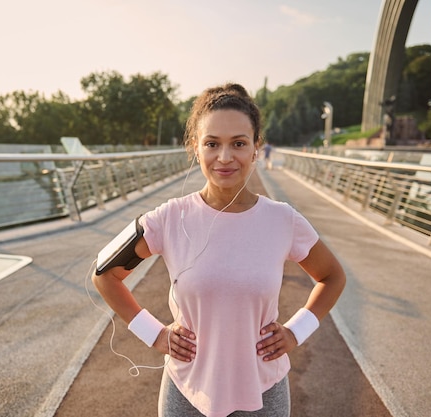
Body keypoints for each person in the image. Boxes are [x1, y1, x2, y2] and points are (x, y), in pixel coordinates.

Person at [93, 83, 346, 417]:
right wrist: (154, 335)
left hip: (263, 389)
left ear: (256, 147)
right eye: (212, 144)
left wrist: (296, 331)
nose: (225, 157)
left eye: (238, 144)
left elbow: (332, 276)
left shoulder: (283, 220)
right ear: (195, 147)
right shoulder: (168, 217)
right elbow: (105, 274)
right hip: (187, 390)